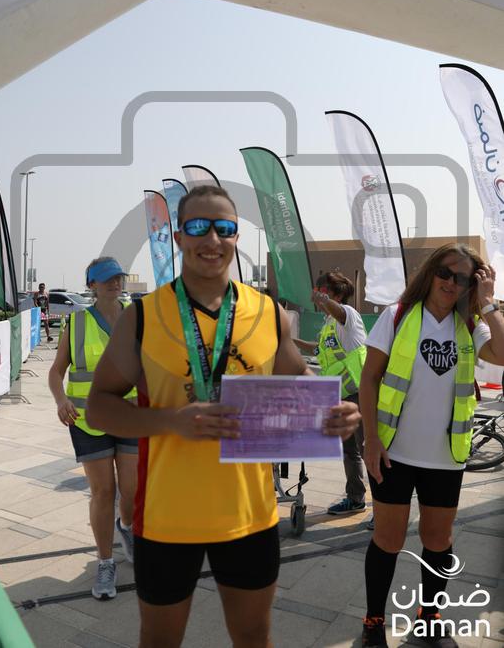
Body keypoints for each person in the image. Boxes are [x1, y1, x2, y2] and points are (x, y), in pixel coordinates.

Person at [86, 186, 361, 648]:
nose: (211, 238)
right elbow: (98, 406)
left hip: (249, 516)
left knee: (253, 637)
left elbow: (297, 383)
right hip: (167, 517)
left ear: (236, 237)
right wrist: (171, 421)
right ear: (178, 237)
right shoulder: (144, 317)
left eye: (224, 228)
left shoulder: (269, 313)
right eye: (197, 227)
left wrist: (331, 414)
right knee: (159, 641)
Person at [359, 243, 504, 648]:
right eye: (445, 273)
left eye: (463, 278)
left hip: (445, 458)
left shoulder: (471, 324)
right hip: (393, 453)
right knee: (388, 540)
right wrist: (371, 439)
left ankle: (429, 614)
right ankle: (373, 620)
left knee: (438, 541)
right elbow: (369, 379)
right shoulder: (397, 315)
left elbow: (503, 353)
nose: (451, 283)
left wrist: (488, 302)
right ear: (430, 272)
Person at [48, 257, 138, 601]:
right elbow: (56, 372)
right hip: (88, 420)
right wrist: (60, 400)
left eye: (118, 277)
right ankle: (105, 562)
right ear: (92, 285)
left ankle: (125, 527)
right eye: (107, 278)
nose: (115, 283)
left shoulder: (136, 319)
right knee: (103, 492)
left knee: (130, 490)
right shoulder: (77, 323)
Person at [294, 272, 368, 516]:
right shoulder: (328, 324)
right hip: (341, 397)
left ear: (335, 294)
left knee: (368, 450)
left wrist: (323, 299)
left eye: (322, 291)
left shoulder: (348, 315)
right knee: (350, 452)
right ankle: (355, 498)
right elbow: (316, 349)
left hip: (360, 394)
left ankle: (384, 509)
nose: (317, 296)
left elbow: (340, 312)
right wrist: (290, 340)